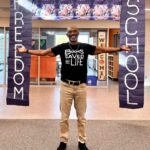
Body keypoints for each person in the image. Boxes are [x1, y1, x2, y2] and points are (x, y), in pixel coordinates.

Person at [18, 26, 131, 150]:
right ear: (67, 34)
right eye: (70, 32)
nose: (72, 34)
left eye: (74, 32)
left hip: (81, 87)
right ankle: (63, 141)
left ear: (78, 33)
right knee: (64, 117)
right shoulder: (61, 47)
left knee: (81, 117)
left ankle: (82, 142)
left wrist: (120, 48)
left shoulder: (85, 47)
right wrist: (26, 51)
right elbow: (44, 52)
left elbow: (103, 49)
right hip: (66, 86)